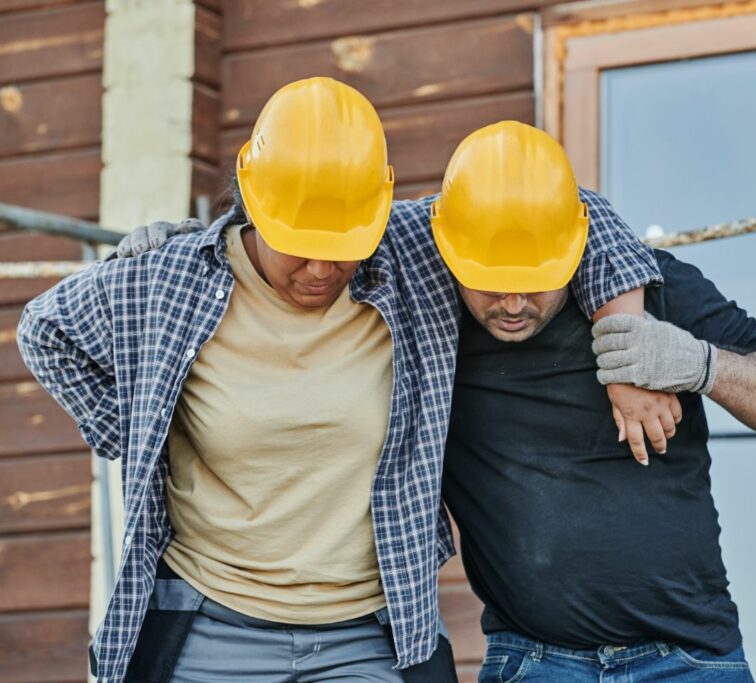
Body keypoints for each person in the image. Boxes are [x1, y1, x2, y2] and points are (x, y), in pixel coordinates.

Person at [17, 81, 663, 683]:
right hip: (211, 626)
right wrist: (143, 437)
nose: (322, 266)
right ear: (254, 203)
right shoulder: (172, 277)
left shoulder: (409, 251)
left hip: (368, 633)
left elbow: (577, 211)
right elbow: (44, 330)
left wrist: (628, 352)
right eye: (297, 241)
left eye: (344, 241)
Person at [433, 122, 756, 682]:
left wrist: (699, 364)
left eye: (536, 279)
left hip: (688, 658)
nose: (513, 302)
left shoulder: (657, 289)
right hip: (535, 660)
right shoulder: (436, 326)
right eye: (491, 281)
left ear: (573, 244)